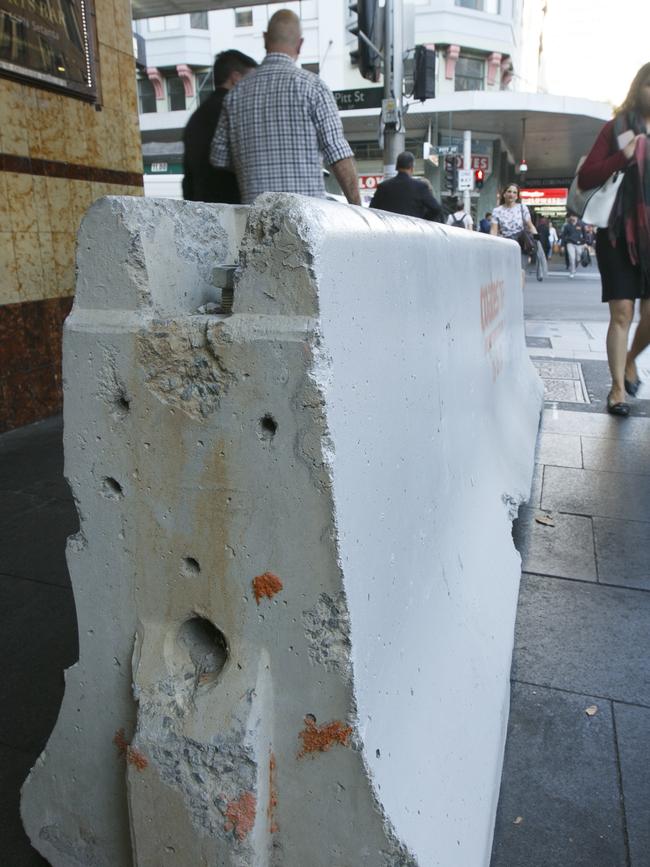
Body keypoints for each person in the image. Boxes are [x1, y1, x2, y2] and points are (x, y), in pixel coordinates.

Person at [210, 10, 360, 205]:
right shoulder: (313, 87)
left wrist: (252, 162)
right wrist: (358, 208)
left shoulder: (234, 96)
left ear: (265, 39)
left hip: (256, 224)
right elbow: (338, 154)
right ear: (300, 44)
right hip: (307, 224)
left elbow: (218, 158)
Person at [578, 62, 650, 417]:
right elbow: (586, 178)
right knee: (622, 312)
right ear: (638, 88)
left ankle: (631, 360)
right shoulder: (617, 129)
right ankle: (618, 390)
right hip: (619, 234)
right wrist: (623, 156)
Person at [182, 50, 257, 203]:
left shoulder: (196, 117)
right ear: (235, 78)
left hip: (201, 206)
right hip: (233, 207)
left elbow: (188, 178)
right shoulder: (237, 112)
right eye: (252, 80)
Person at [368, 151, 443, 221]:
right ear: (412, 168)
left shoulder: (383, 187)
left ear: (397, 167)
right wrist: (423, 220)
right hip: (413, 230)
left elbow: (372, 210)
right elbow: (436, 209)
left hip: (390, 231)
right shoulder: (420, 187)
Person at [490, 183, 539, 276]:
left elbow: (530, 225)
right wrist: (492, 245)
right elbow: (493, 230)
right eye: (509, 191)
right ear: (504, 194)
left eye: (514, 192)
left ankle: (519, 291)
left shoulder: (522, 208)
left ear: (517, 196)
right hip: (505, 243)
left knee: (520, 271)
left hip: (521, 243)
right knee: (506, 272)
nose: (511, 194)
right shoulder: (497, 211)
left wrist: (537, 241)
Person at [560, 214, 586, 278]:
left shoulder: (581, 224)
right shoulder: (567, 226)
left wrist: (585, 243)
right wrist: (562, 245)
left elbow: (584, 233)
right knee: (571, 257)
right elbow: (563, 236)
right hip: (570, 243)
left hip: (579, 244)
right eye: (571, 216)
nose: (572, 217)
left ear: (576, 217)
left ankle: (575, 265)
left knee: (578, 258)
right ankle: (572, 271)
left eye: (574, 216)